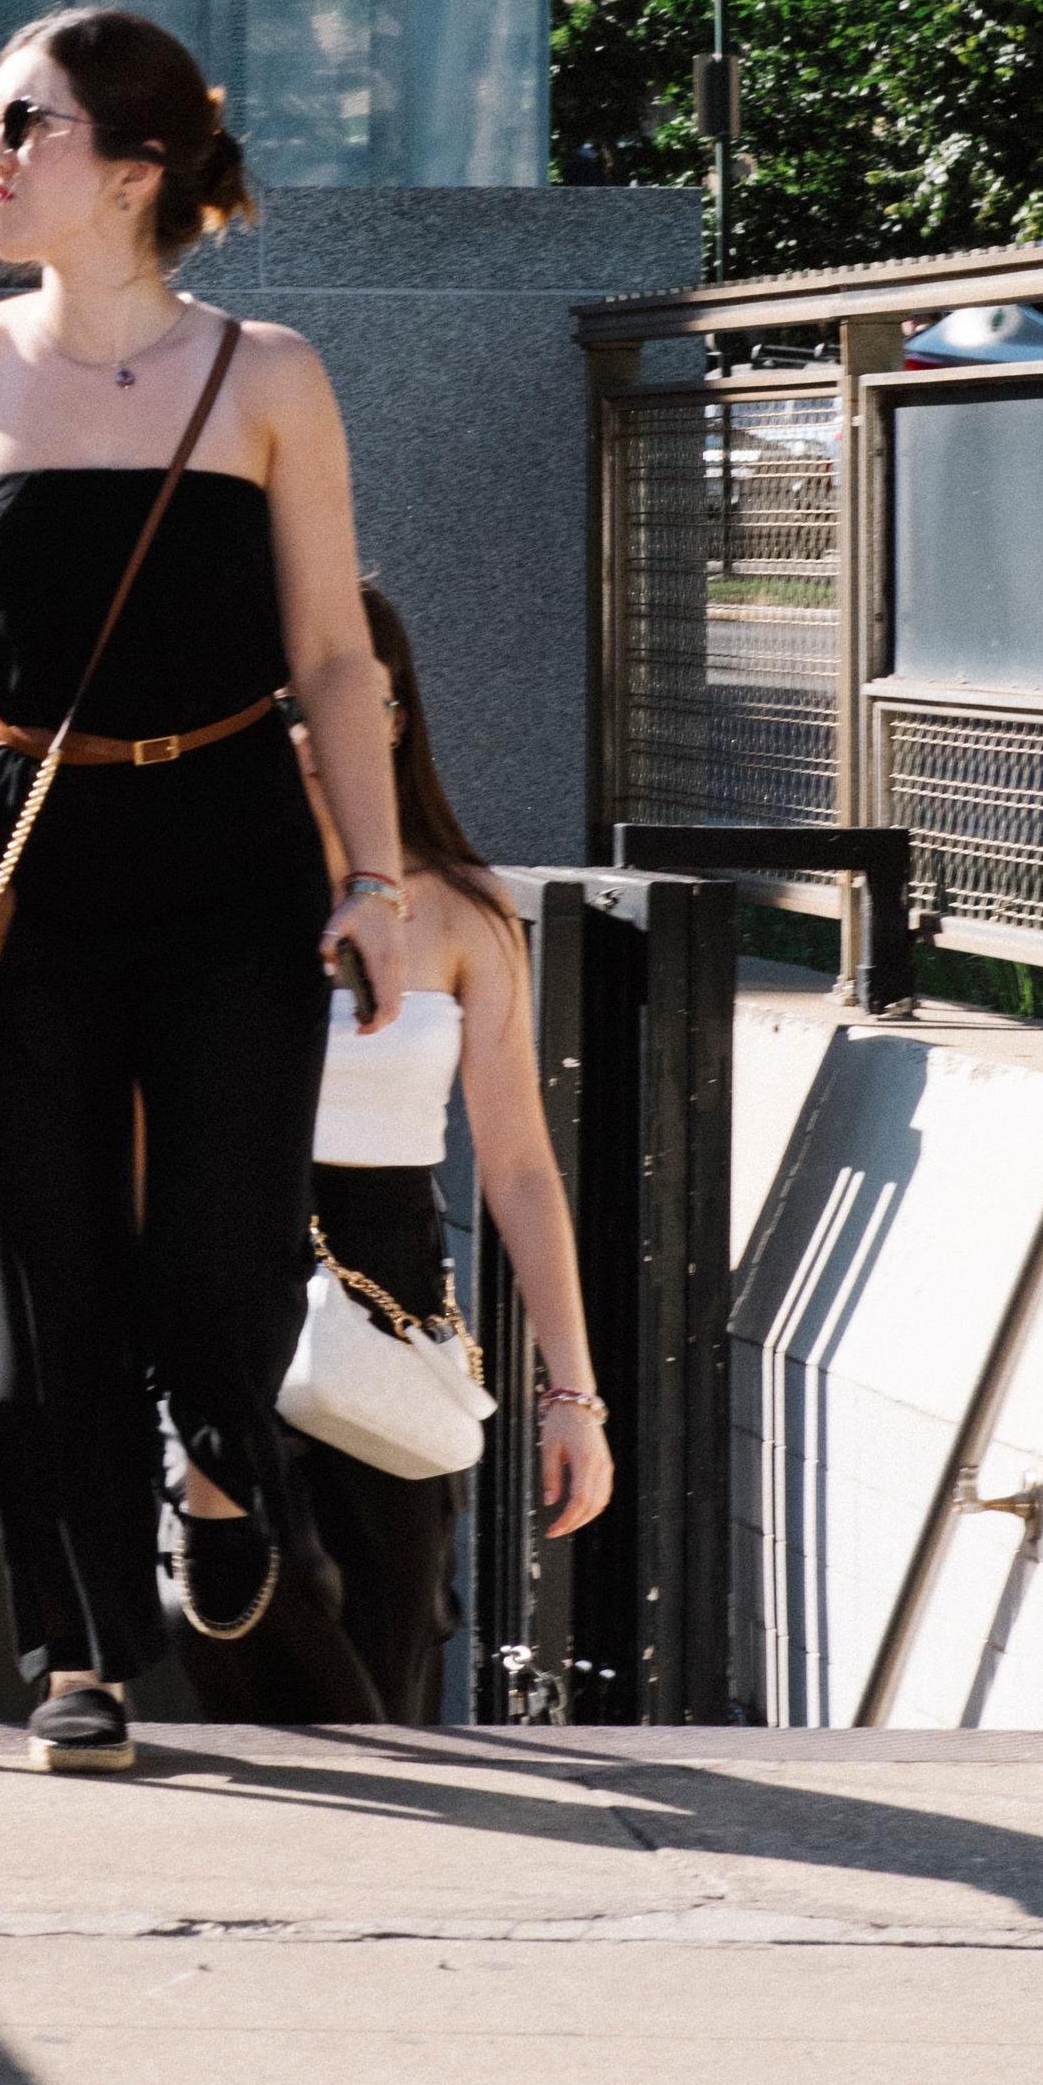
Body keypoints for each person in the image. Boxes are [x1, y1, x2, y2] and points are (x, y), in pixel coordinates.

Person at [0, 7, 412, 1776]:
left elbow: (331, 652)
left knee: (220, 1239)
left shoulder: (272, 376)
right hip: (18, 849)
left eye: (27, 124)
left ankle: (227, 1464)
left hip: (233, 843)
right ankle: (76, 1652)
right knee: (50, 1262)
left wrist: (375, 875)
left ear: (136, 169)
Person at [179, 581, 616, 1728]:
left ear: (398, 718)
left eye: (349, 702)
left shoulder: (465, 916)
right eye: (288, 707)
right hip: (228, 1270)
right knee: (246, 1596)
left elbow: (519, 1163)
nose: (317, 737)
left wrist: (572, 1394)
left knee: (397, 1617)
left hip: (392, 1296)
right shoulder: (204, 905)